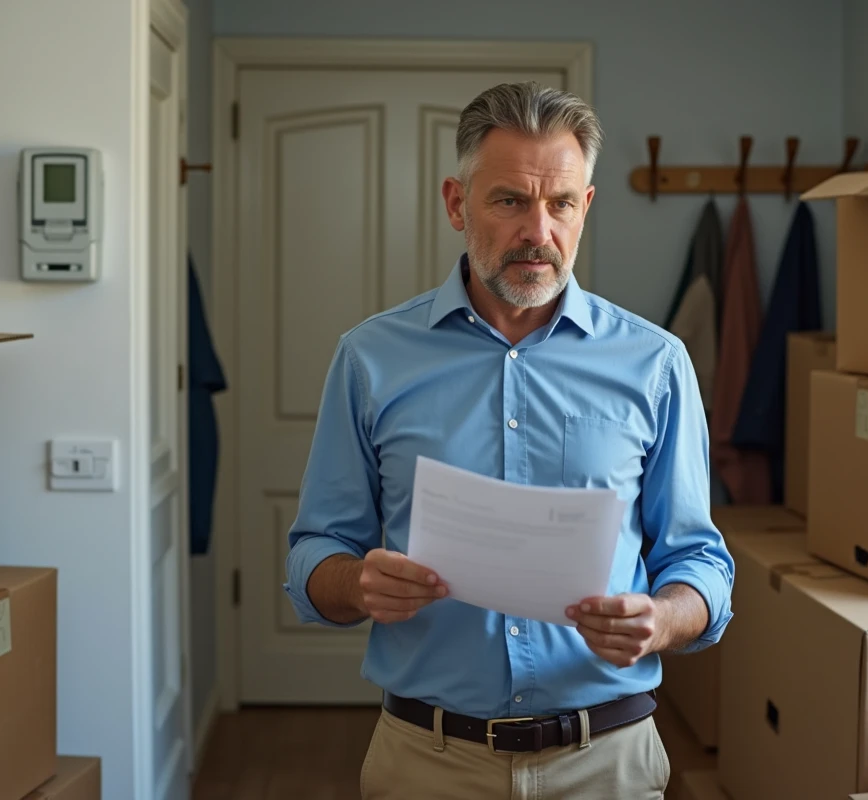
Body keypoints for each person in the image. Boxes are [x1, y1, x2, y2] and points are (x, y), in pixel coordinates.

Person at [283, 81, 734, 799]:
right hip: (426, 762)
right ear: (458, 204)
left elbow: (702, 561)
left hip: (606, 760)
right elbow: (312, 556)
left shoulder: (656, 363)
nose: (538, 231)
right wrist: (358, 584)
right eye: (509, 201)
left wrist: (662, 618)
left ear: (585, 208)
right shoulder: (369, 358)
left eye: (560, 204)